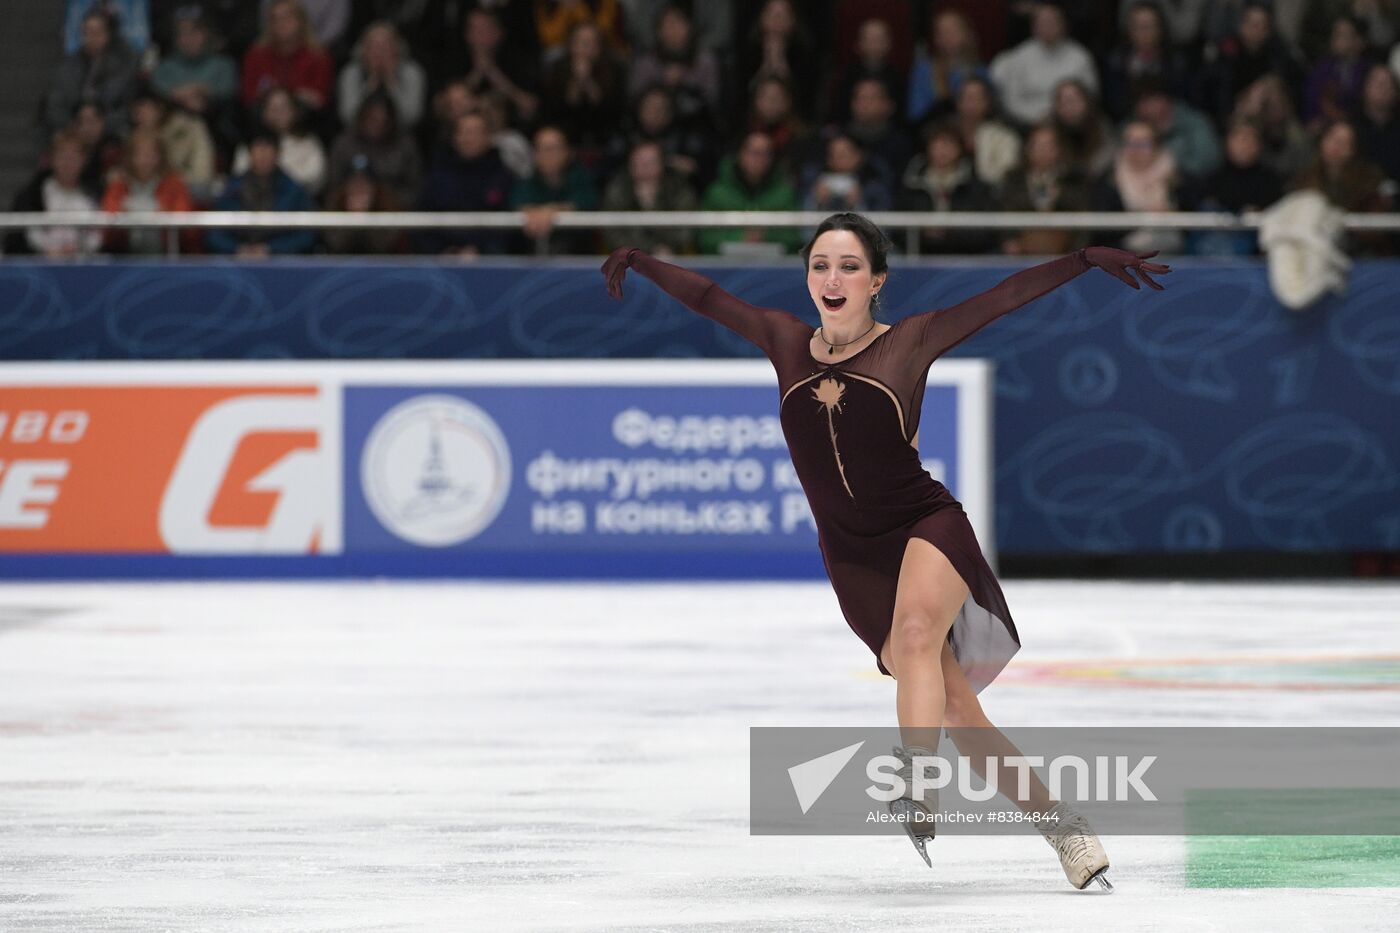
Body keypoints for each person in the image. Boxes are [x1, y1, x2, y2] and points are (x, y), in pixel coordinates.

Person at [600, 213, 1170, 890]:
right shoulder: (785, 342)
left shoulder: (909, 342)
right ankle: (1064, 827)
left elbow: (1001, 298)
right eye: (819, 265)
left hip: (925, 524)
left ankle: (918, 785)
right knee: (957, 708)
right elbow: (709, 298)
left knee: (918, 630)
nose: (831, 278)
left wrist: (1079, 259)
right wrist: (641, 259)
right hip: (852, 556)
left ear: (876, 281)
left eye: (847, 266)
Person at [207, 130, 317, 256]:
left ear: (277, 153)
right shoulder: (231, 189)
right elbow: (214, 234)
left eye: (268, 149)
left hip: (282, 261)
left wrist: (271, 249)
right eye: (258, 148)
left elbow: (306, 236)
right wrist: (238, 249)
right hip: (237, 261)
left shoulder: (294, 190)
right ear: (250, 153)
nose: (263, 155)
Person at [988, 2, 1097, 127]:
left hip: (1071, 124)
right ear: (1033, 27)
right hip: (1027, 125)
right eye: (1042, 22)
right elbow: (1011, 101)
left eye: (1052, 21)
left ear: (1063, 25)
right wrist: (1038, 119)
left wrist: (1059, 116)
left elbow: (1091, 98)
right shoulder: (1019, 57)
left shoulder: (1080, 57)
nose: (1048, 26)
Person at [100, 127, 195, 254]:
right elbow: (108, 224)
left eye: (151, 154)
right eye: (140, 153)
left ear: (161, 156)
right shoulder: (118, 186)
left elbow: (185, 223)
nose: (146, 159)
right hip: (124, 257)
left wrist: (163, 217)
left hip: (167, 256)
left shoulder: (175, 185)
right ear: (130, 156)